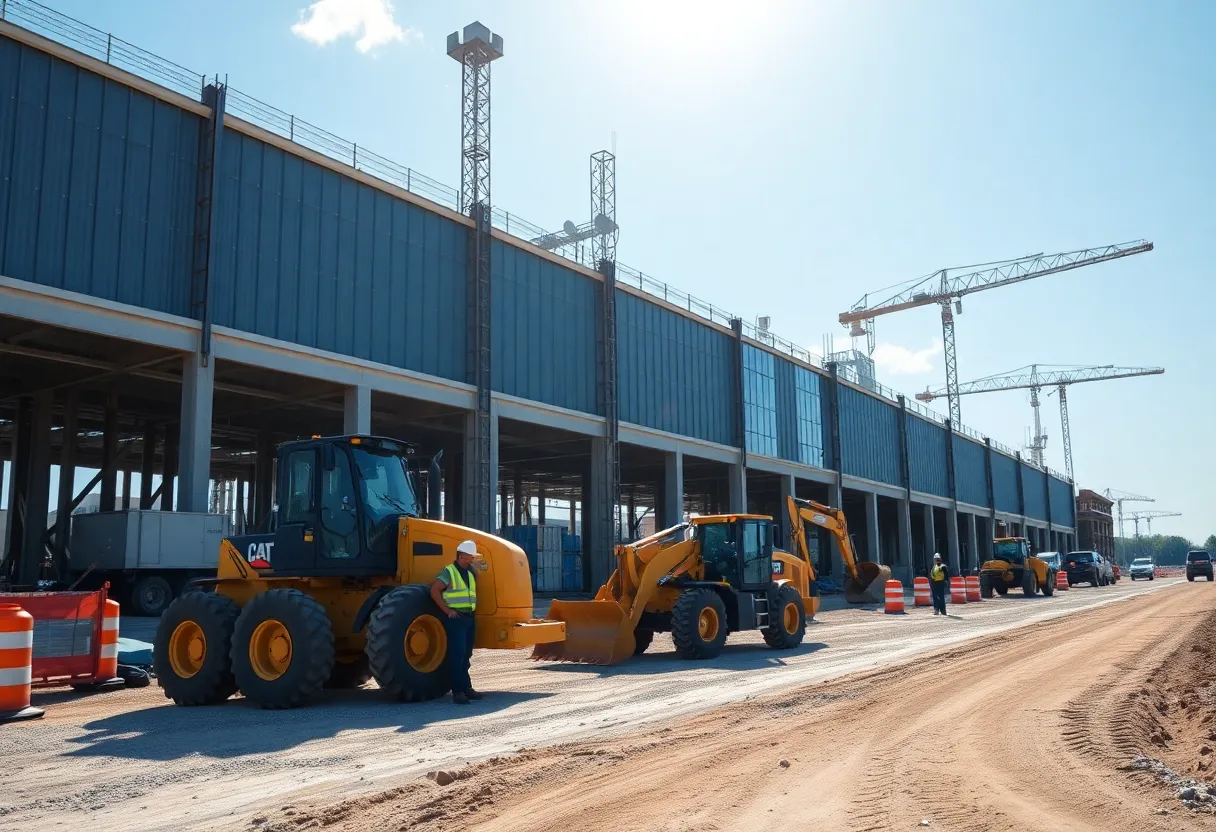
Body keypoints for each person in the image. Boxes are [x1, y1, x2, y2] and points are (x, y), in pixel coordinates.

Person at [430, 539, 483, 705]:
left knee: (466, 655)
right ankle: (458, 692)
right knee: (457, 655)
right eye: (469, 556)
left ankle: (466, 688)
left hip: (469, 617)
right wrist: (447, 611)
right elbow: (435, 590)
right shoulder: (449, 571)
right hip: (457, 619)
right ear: (461, 556)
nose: (472, 558)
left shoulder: (471, 573)